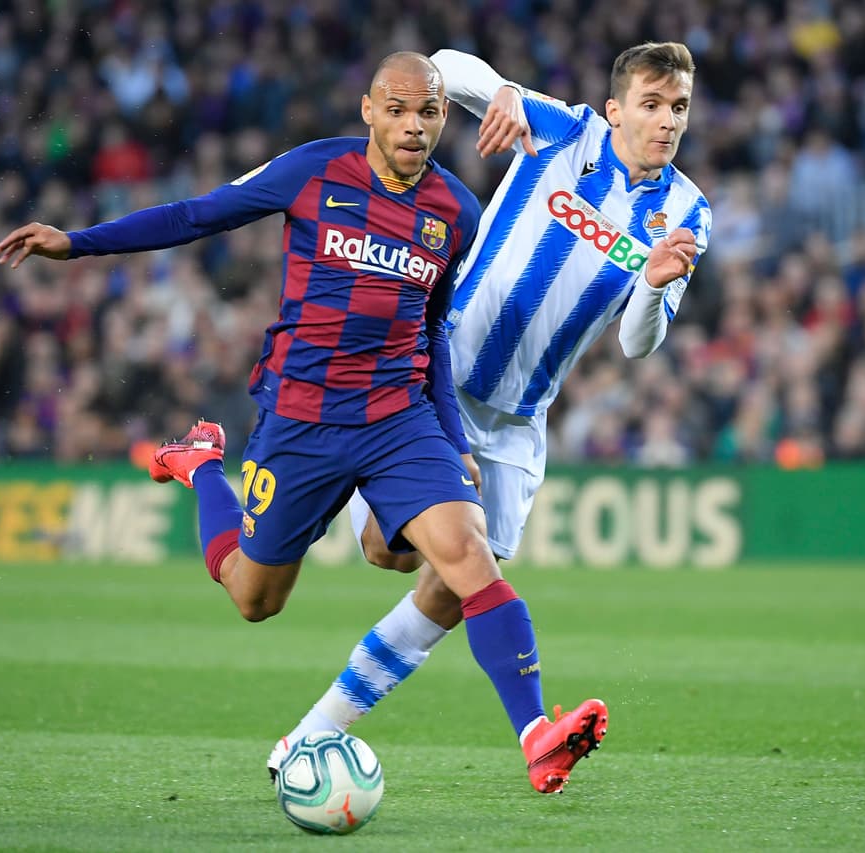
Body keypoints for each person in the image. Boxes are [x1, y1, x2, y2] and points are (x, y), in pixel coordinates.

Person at [0, 51, 607, 796]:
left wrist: (451, 440)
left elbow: (433, 330)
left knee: (469, 554)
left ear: (445, 117)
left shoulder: (455, 211)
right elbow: (196, 214)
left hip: (397, 416)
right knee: (255, 598)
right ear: (369, 110)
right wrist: (77, 242)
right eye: (398, 110)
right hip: (302, 418)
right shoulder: (315, 171)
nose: (414, 126)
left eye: (429, 112)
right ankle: (202, 466)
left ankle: (537, 735)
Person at [270, 43, 707, 776]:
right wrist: (502, 90)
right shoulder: (567, 132)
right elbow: (446, 64)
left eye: (679, 108)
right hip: (432, 378)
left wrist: (656, 284)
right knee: (387, 550)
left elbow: (638, 343)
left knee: (452, 589)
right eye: (652, 104)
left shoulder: (688, 212)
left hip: (518, 419)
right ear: (616, 110)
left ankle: (310, 737)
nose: (667, 121)